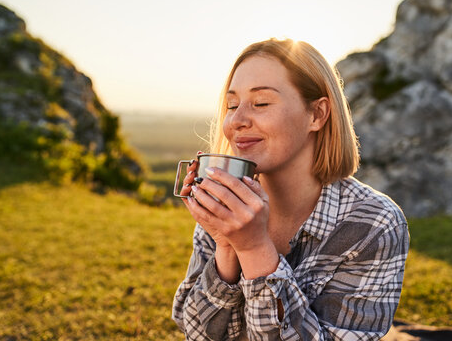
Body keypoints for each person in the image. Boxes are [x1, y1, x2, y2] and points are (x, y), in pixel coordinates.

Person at [172, 38, 409, 340]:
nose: (237, 121)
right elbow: (196, 332)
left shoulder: (374, 224)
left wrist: (254, 249)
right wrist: (226, 245)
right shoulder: (227, 204)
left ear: (317, 114)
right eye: (232, 105)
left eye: (261, 103)